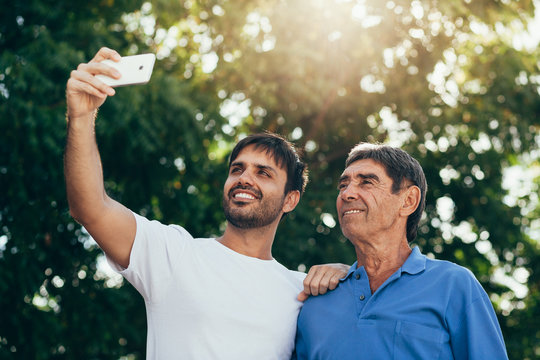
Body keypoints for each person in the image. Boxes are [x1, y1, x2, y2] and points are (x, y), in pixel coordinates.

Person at [64, 47, 347, 359]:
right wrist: (81, 116)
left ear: (290, 200)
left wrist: (347, 273)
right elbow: (90, 207)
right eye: (237, 169)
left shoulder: (301, 291)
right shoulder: (174, 254)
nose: (244, 178)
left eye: (263, 173)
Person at [294, 142, 509, 359]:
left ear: (408, 201)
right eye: (343, 185)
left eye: (366, 182)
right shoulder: (315, 302)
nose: (347, 194)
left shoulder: (453, 286)